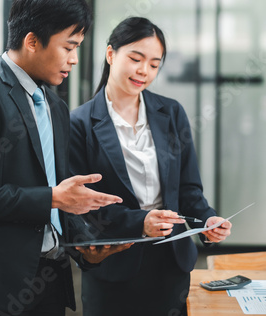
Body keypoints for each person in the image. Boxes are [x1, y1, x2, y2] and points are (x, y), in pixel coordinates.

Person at [0, 0, 127, 316]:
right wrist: (52, 197)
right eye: (69, 47)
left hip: (50, 278)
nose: (75, 59)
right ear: (32, 41)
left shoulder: (54, 106)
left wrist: (84, 245)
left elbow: (57, 193)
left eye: (78, 47)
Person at [69, 17, 232, 316]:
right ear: (110, 55)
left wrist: (207, 221)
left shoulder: (170, 113)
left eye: (154, 64)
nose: (144, 70)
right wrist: (140, 221)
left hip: (171, 265)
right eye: (135, 58)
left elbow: (188, 189)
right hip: (113, 269)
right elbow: (81, 206)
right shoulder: (79, 123)